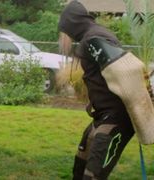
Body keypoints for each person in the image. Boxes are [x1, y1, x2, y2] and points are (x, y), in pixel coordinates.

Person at [58, 1, 137, 179]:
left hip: (116, 116)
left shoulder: (95, 38)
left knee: (91, 175)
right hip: (103, 115)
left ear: (72, 23)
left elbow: (126, 69)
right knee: (80, 167)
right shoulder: (91, 36)